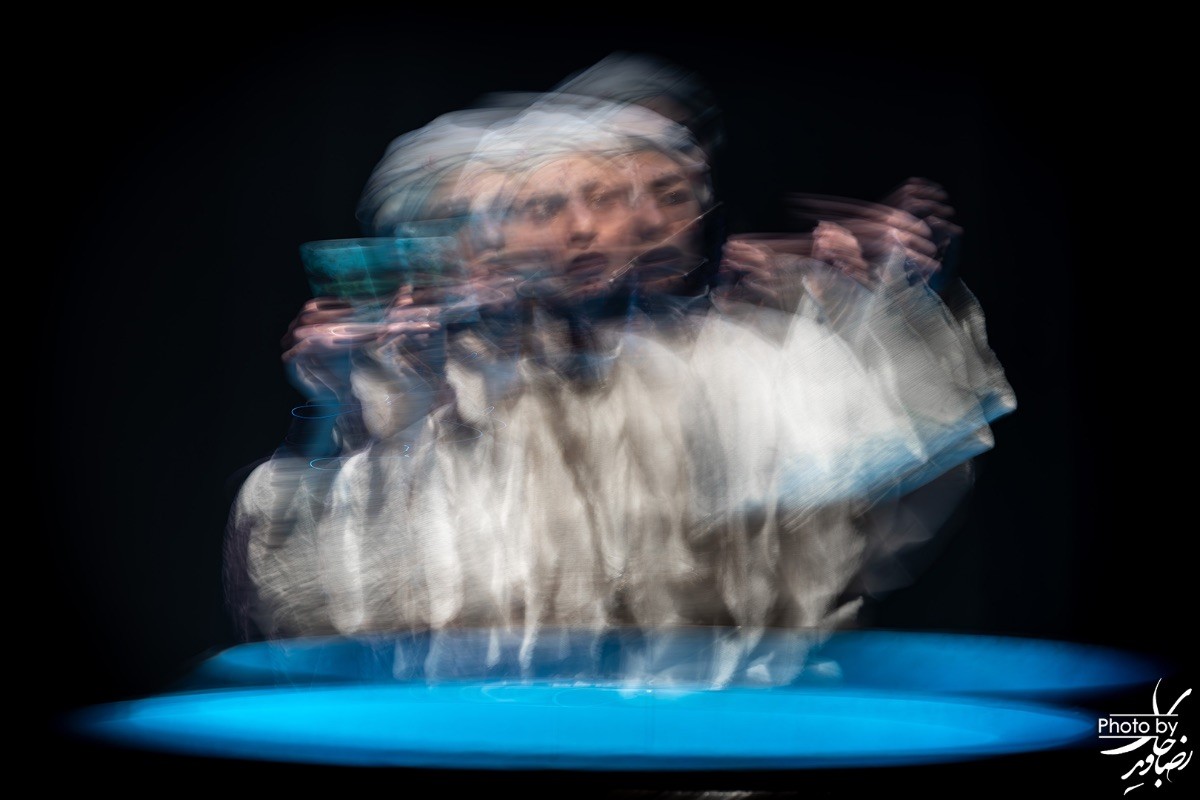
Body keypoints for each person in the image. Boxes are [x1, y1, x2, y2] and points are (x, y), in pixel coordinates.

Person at [224, 60, 1015, 685]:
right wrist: (329, 415)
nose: (584, 230)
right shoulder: (419, 401)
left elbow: (874, 508)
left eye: (608, 200)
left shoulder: (736, 370)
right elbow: (312, 609)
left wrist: (877, 308)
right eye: (541, 209)